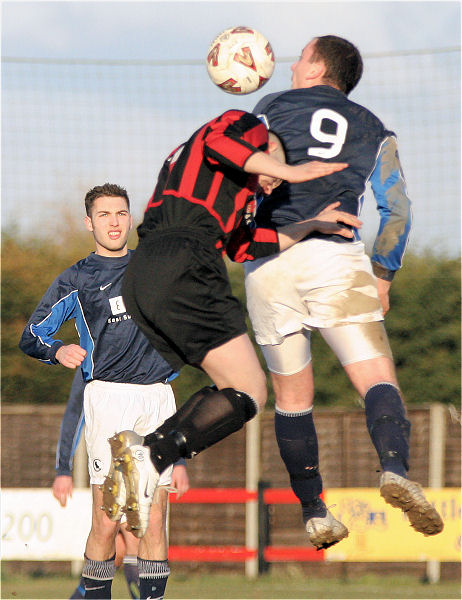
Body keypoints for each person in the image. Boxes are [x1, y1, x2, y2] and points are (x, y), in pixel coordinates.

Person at [102, 109, 361, 544]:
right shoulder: (246, 126)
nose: (272, 181)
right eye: (270, 168)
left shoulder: (228, 190)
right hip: (186, 261)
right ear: (263, 147)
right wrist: (290, 168)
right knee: (252, 391)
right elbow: (221, 141)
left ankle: (145, 455)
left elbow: (245, 246)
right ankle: (149, 454)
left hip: (144, 275)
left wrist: (312, 226)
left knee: (235, 388)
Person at [242, 34, 444, 548]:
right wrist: (382, 275)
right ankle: (395, 469)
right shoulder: (375, 129)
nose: (289, 65)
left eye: (299, 57)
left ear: (317, 68)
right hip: (334, 255)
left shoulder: (269, 109)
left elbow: (252, 170)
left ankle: (314, 512)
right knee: (376, 377)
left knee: (291, 398)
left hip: (270, 259)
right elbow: (397, 210)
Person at [19, 183, 184, 600]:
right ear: (89, 222)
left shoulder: (152, 267)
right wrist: (58, 349)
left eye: (122, 213)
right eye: (105, 215)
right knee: (110, 517)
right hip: (110, 398)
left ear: (131, 219)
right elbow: (32, 335)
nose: (114, 222)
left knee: (152, 515)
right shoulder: (77, 277)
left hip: (160, 399)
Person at [51, 369, 190, 599]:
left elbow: (166, 420)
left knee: (133, 538)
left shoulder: (153, 360)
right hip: (111, 462)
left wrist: (179, 462)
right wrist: (63, 469)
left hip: (144, 464)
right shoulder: (96, 359)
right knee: (116, 539)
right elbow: (74, 414)